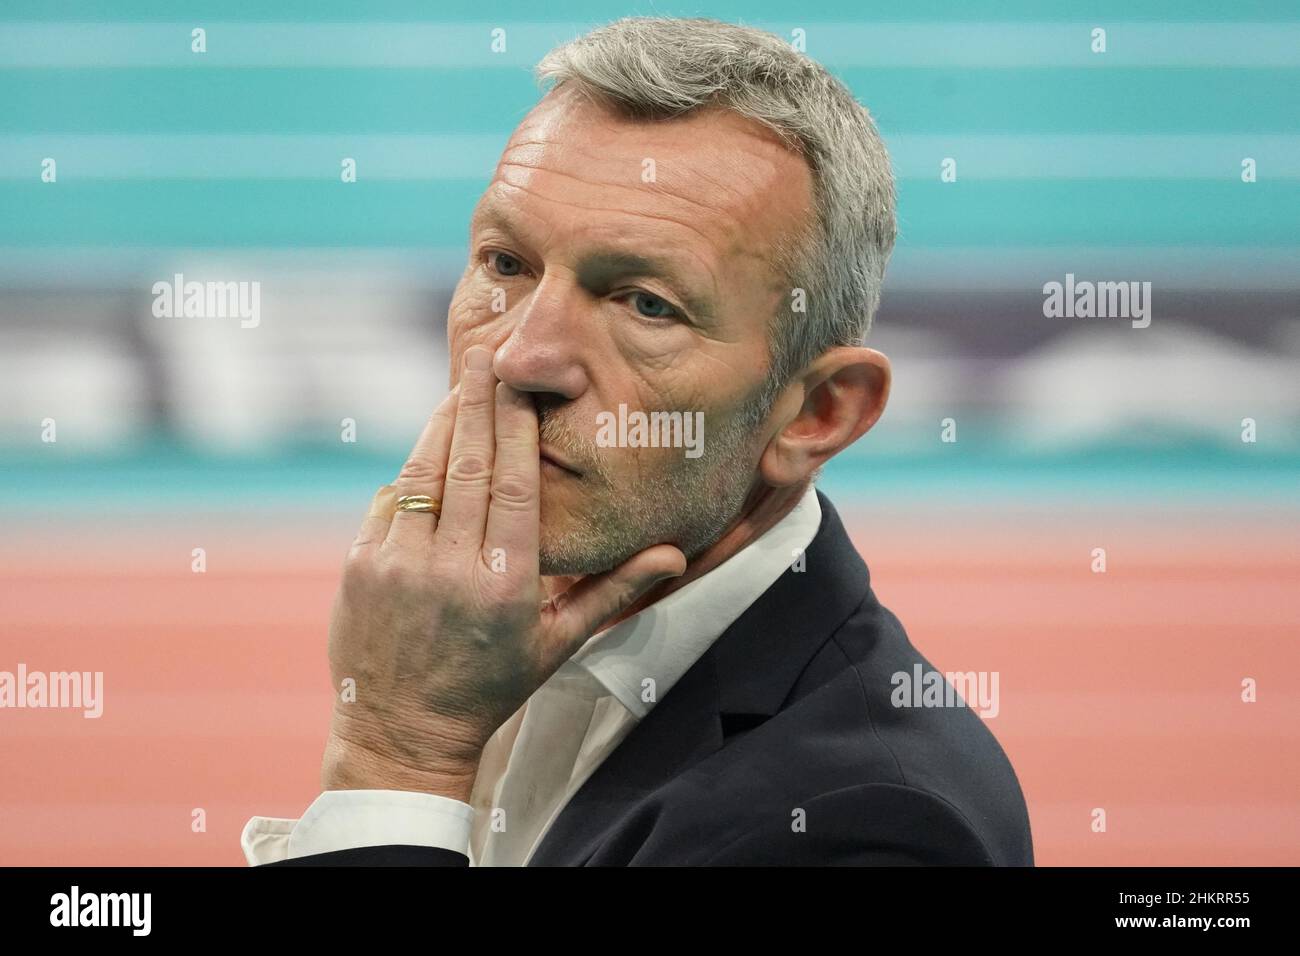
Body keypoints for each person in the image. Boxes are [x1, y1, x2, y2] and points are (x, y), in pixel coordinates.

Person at [242, 16, 1033, 866]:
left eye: (646, 303)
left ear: (817, 415)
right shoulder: (495, 646)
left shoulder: (869, 825)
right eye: (505, 264)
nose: (519, 356)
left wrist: (395, 763)